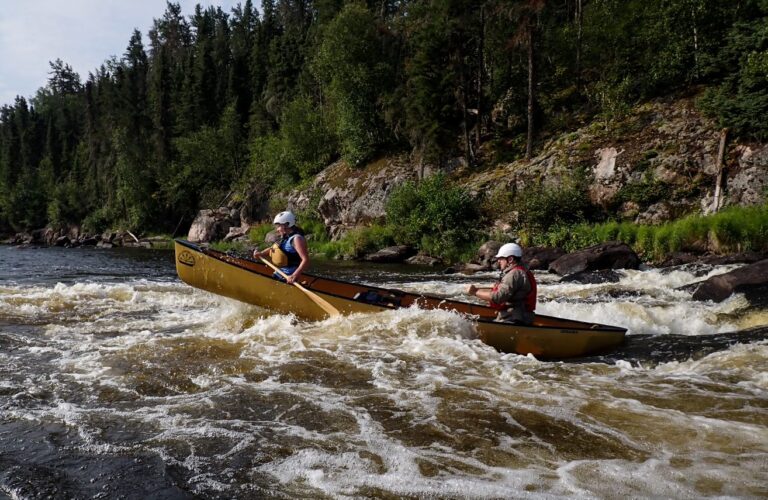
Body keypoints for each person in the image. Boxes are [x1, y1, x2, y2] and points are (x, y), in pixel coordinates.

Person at [465, 243, 537, 324]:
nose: (498, 261)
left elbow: (498, 297)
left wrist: (475, 292)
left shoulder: (514, 274)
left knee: (469, 322)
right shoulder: (522, 271)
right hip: (521, 317)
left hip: (514, 319)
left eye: (501, 258)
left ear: (510, 259)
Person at [252, 211, 309, 284]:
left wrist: (294, 275)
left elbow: (305, 260)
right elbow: (272, 249)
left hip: (288, 277)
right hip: (280, 273)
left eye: (279, 226)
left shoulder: (296, 239)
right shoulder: (285, 237)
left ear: (287, 224)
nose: (277, 229)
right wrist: (261, 253)